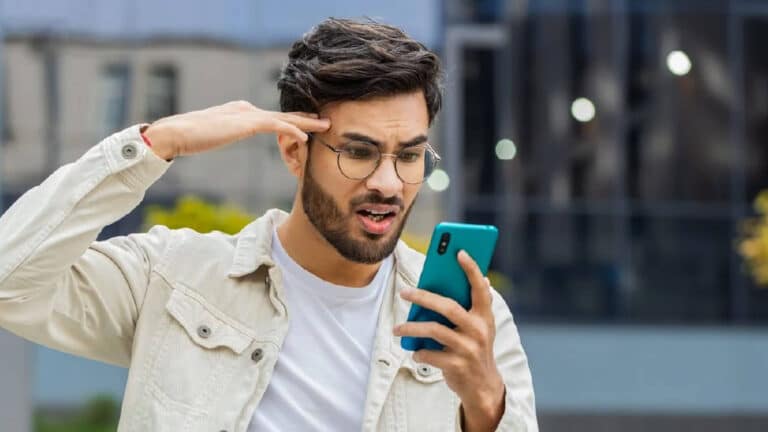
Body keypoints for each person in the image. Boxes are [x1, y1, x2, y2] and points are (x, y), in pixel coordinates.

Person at [0, 18, 536, 432]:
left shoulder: (472, 319)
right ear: (293, 150)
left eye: (409, 156)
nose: (389, 183)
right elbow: (8, 282)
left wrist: (487, 405)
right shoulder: (171, 277)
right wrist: (154, 145)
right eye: (359, 152)